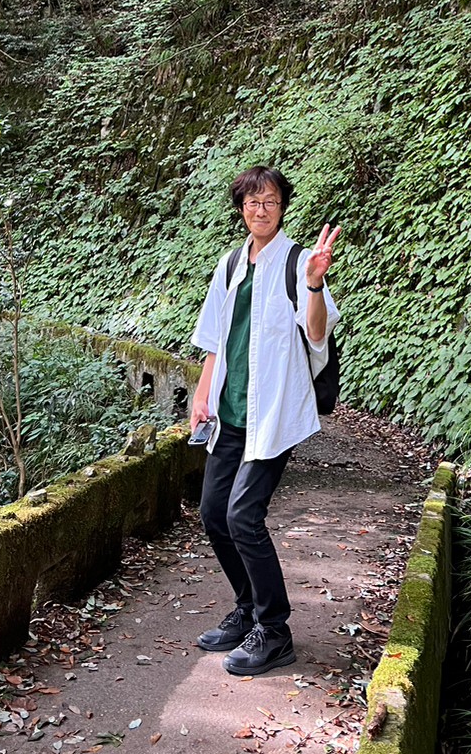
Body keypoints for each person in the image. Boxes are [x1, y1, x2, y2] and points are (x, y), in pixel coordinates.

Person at [189, 165, 341, 676]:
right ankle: (248, 608)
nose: (261, 210)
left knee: (242, 517)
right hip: (229, 410)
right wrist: (202, 394)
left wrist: (315, 285)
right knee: (213, 512)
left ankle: (274, 630)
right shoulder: (231, 263)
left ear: (281, 208)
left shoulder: (299, 262)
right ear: (241, 209)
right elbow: (214, 337)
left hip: (273, 413)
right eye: (252, 202)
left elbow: (316, 334)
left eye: (270, 201)